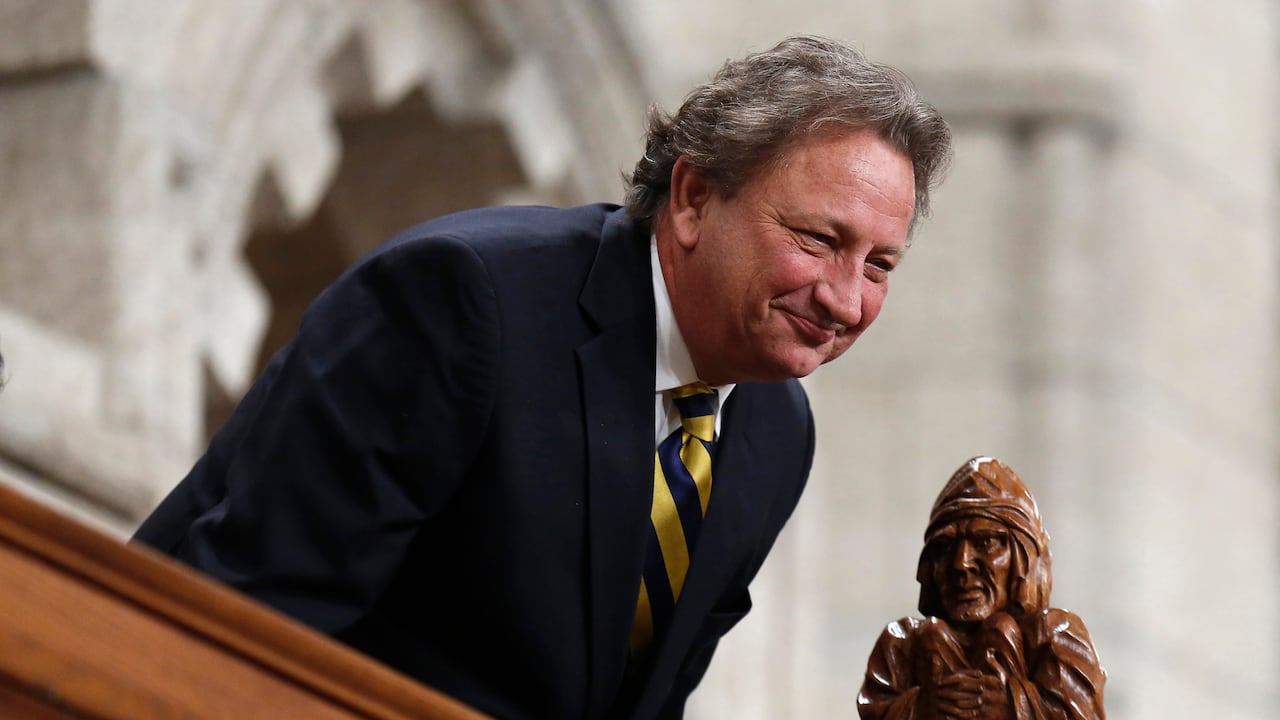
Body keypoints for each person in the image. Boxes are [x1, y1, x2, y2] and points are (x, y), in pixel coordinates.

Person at [135, 35, 952, 718]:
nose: (846, 299)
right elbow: (249, 622)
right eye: (816, 240)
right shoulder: (465, 301)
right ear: (695, 198)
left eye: (879, 264)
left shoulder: (777, 430)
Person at [857, 457, 1107, 720]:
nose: (961, 563)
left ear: (1022, 557)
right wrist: (921, 708)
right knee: (932, 636)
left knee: (1001, 631)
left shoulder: (1055, 636)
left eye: (987, 542)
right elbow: (875, 708)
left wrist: (1013, 706)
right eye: (945, 548)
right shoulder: (900, 644)